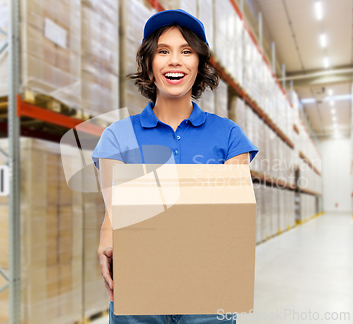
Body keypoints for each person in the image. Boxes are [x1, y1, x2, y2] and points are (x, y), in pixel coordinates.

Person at [91, 8, 258, 324]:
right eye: (163, 51)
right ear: (149, 64)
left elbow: (233, 217)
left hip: (208, 293)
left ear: (199, 64)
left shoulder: (229, 136)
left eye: (187, 51)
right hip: (139, 291)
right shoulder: (117, 136)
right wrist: (106, 241)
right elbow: (113, 214)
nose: (175, 61)